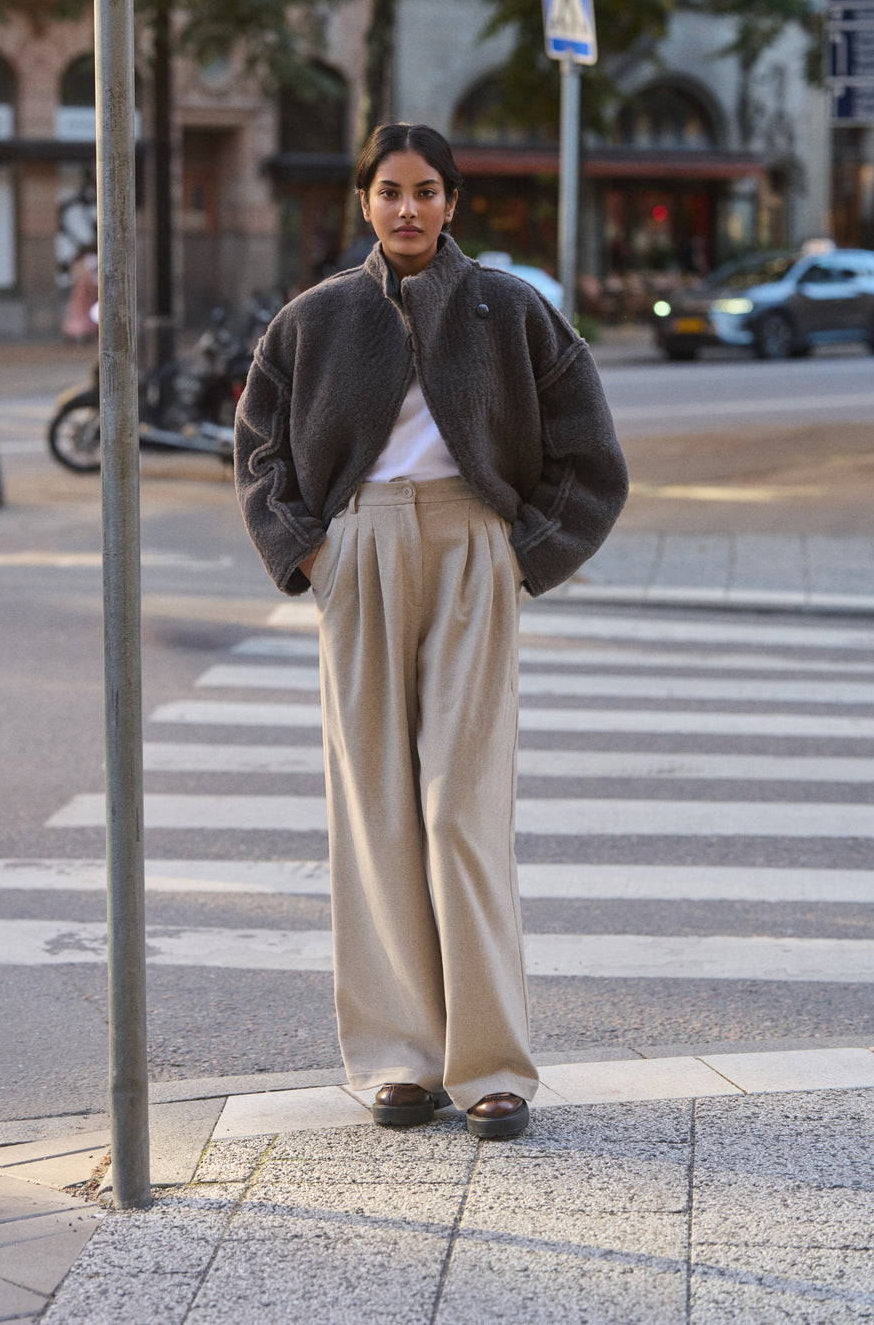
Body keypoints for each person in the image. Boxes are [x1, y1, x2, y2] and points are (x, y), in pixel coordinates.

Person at [234, 123, 628, 1139]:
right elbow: (259, 449)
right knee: (374, 810)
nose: (406, 208)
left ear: (453, 202)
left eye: (425, 191)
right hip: (357, 551)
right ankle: (398, 1060)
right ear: (362, 201)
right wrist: (309, 551)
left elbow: (589, 454)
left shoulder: (510, 308)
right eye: (387, 191)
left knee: (462, 807)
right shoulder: (315, 317)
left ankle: (491, 1066)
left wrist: (526, 551)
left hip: (470, 547)